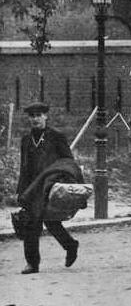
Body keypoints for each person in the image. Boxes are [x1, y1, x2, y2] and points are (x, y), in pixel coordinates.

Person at [16, 102, 80, 274]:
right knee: (31, 223)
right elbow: (24, 167)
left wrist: (61, 180)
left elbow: (68, 161)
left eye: (38, 115)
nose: (35, 119)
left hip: (50, 185)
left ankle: (71, 245)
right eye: (32, 116)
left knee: (51, 221)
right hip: (32, 188)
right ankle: (32, 263)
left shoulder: (56, 136)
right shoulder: (26, 140)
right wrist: (21, 191)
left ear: (46, 116)